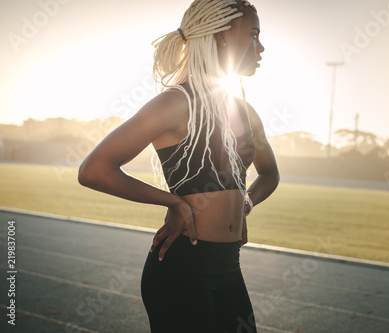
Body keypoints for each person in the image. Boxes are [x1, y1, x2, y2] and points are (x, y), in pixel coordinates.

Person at [78, 0, 279, 331]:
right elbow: (94, 169)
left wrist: (247, 201)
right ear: (223, 35)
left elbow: (270, 174)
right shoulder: (174, 103)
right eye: (253, 35)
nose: (261, 47)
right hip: (182, 267)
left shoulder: (246, 111)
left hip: (230, 268)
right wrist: (171, 201)